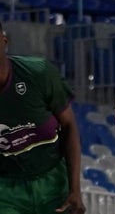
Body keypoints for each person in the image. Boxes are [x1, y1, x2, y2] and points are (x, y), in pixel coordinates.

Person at [0, 21, 85, 214]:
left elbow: (69, 125)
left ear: (4, 42)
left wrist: (75, 190)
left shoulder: (39, 73)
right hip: (5, 189)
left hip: (53, 180)